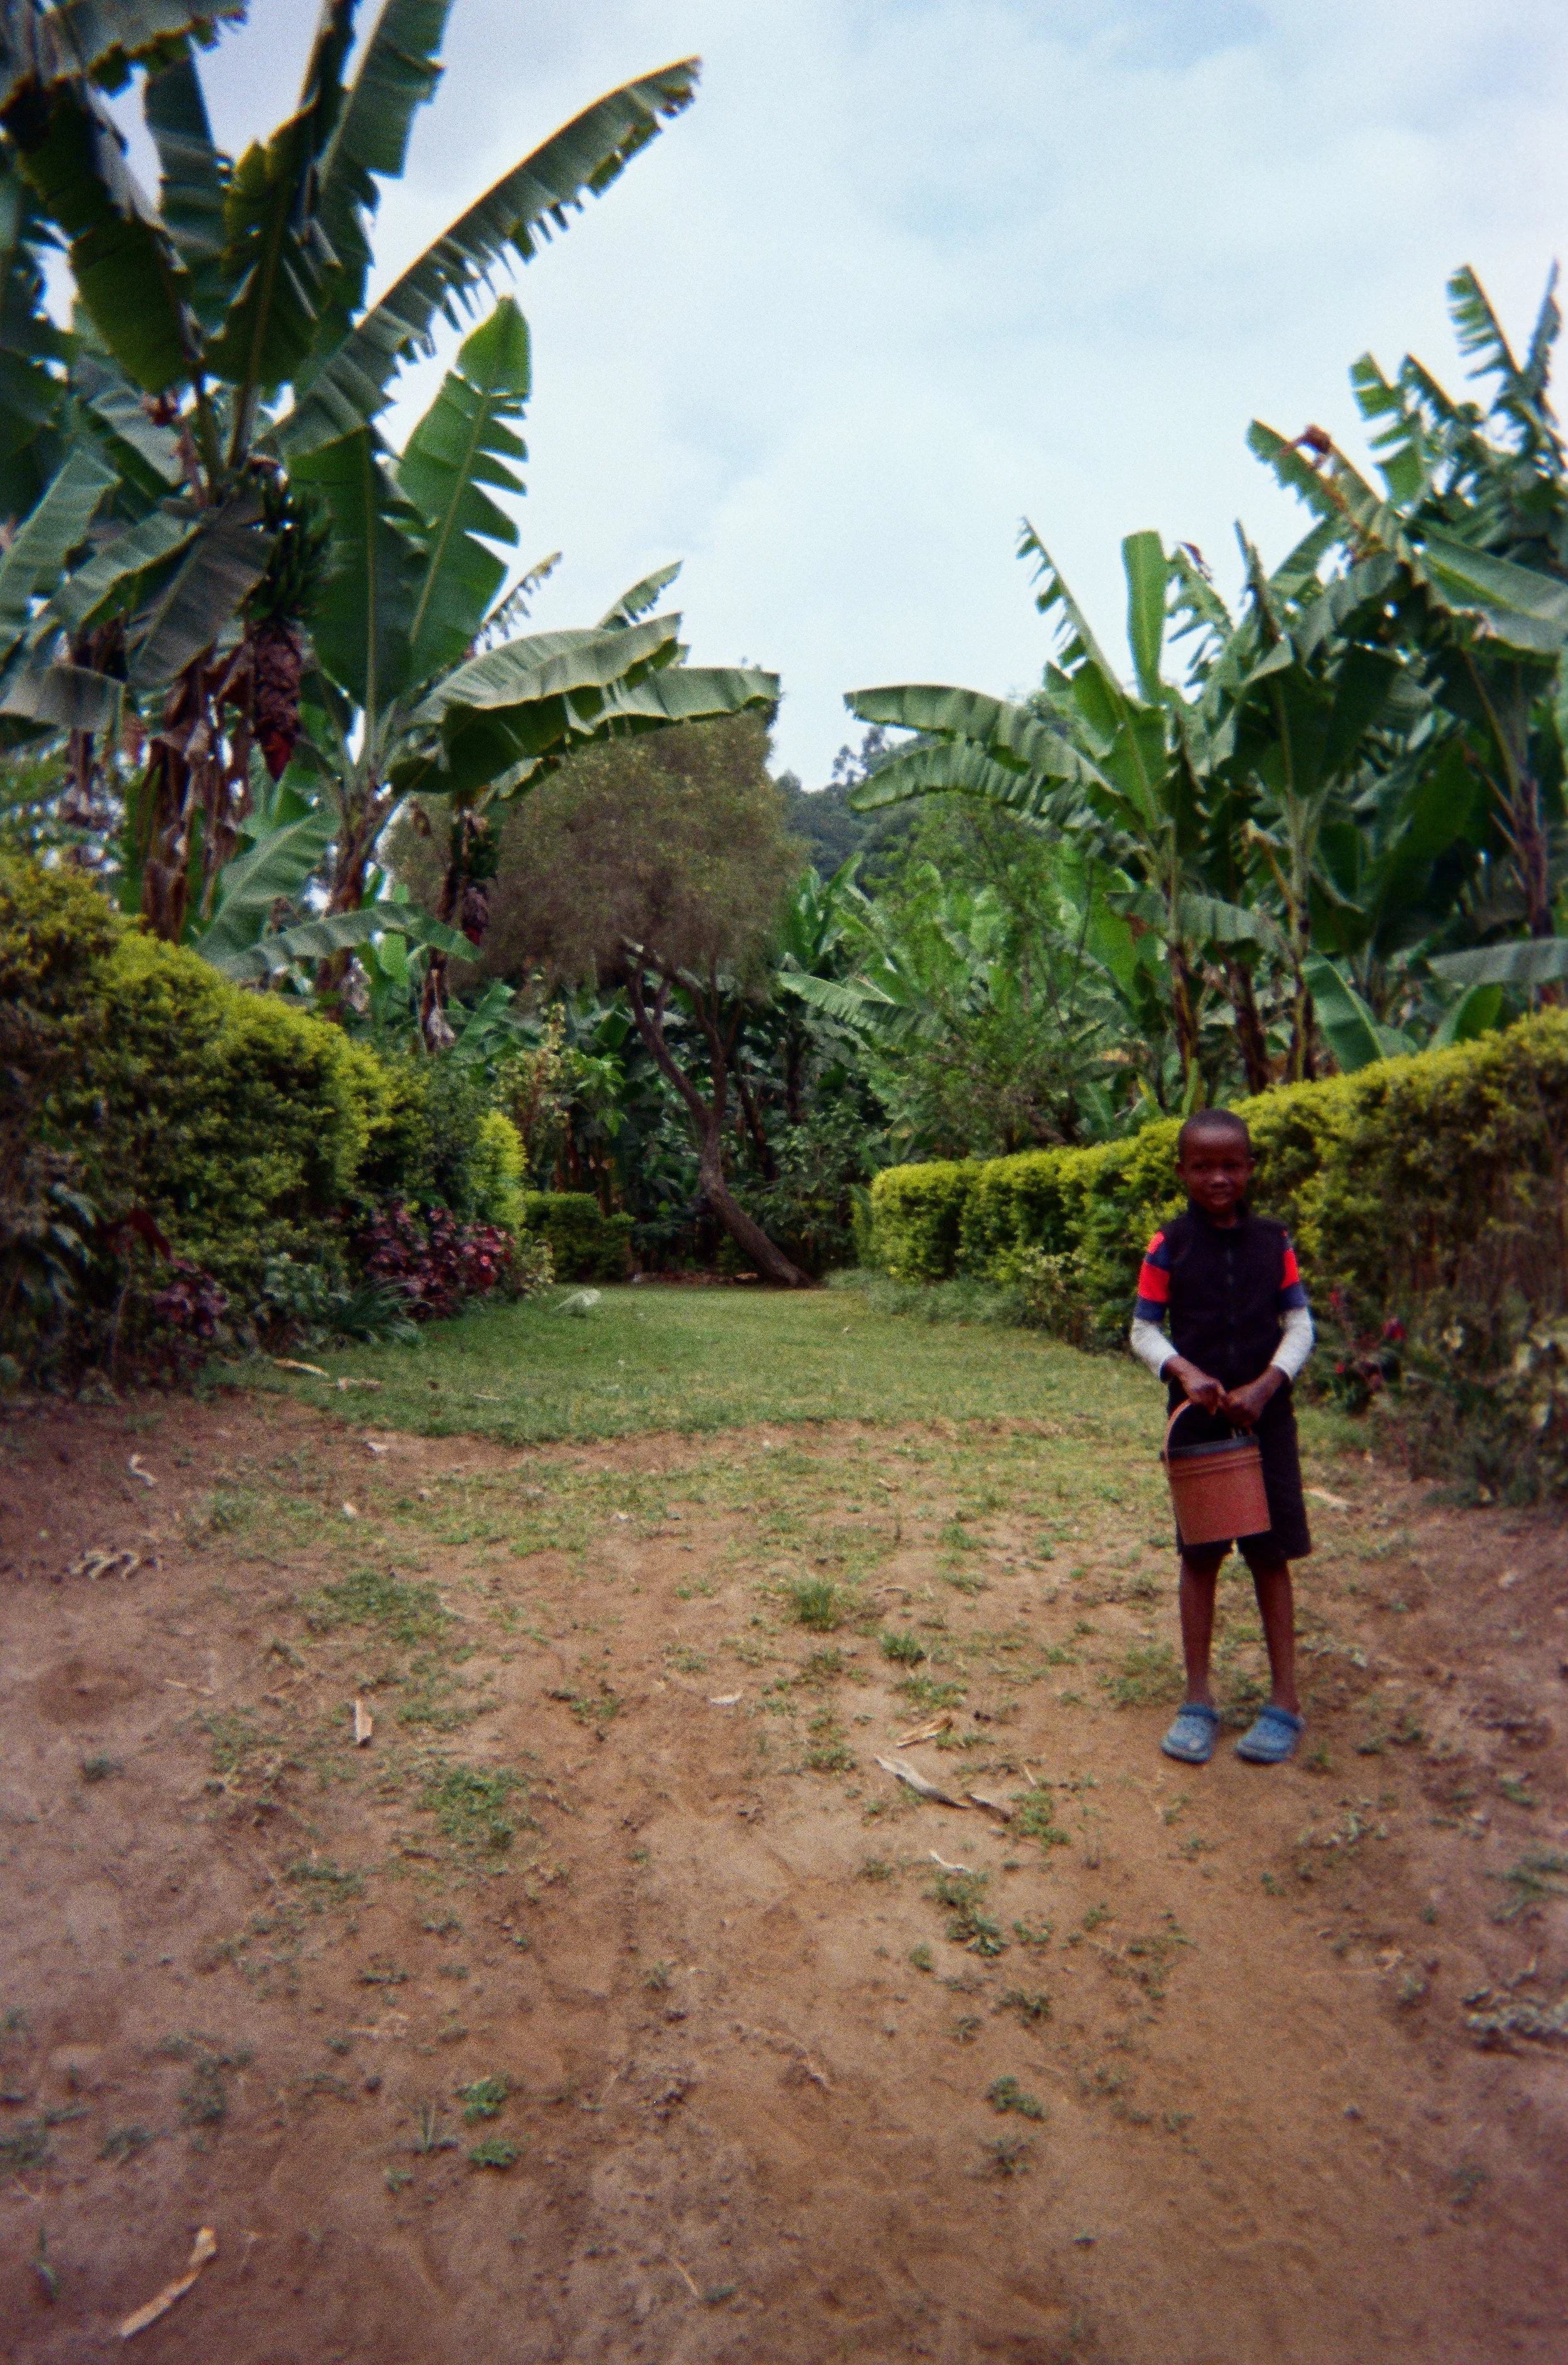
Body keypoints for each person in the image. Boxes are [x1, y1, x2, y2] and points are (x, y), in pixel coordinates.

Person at [1129, 1109, 1315, 1766]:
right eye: (1202, 1166)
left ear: (1249, 1168)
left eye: (1231, 1164)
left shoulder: (1274, 1241)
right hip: (1199, 1426)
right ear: (1181, 1171)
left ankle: (1284, 1700)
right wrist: (1184, 1371)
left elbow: (1299, 1326)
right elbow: (1144, 1330)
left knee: (1270, 1556)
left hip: (1268, 1423)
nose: (1217, 1177)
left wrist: (1267, 1386)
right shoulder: (1168, 1245)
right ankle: (1198, 1699)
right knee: (1201, 1556)